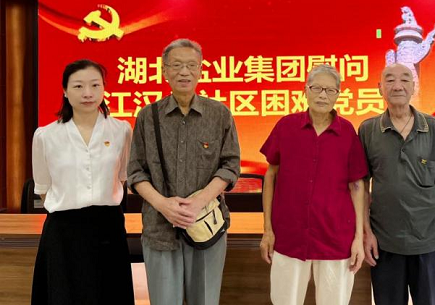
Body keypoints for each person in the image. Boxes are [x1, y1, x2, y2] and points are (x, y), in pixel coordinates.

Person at [127, 38, 240, 305]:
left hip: (206, 226)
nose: (184, 72)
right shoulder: (148, 116)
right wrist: (163, 205)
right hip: (160, 227)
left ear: (201, 69)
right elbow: (136, 172)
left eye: (191, 65)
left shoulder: (219, 114)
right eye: (176, 65)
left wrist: (199, 202)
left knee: (205, 299)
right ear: (164, 70)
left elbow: (230, 165)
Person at [259, 64, 367, 305]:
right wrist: (267, 230)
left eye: (330, 90)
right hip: (289, 236)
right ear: (305, 90)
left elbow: (357, 186)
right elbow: (271, 176)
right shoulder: (286, 126)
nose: (322, 95)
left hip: (335, 238)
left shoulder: (347, 132)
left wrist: (358, 238)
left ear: (338, 94)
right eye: (316, 88)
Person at [31, 59, 134, 305]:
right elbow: (43, 188)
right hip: (63, 230)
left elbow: (123, 177)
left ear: (104, 88)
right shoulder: (46, 135)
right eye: (78, 86)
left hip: (108, 227)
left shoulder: (121, 130)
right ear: (65, 91)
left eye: (95, 85)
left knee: (109, 294)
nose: (87, 93)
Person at [359, 63, 435, 305]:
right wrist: (366, 233)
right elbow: (361, 187)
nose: (397, 86)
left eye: (404, 79)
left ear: (414, 87)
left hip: (429, 240)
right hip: (385, 242)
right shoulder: (368, 130)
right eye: (390, 80)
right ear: (380, 88)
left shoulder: (433, 127)